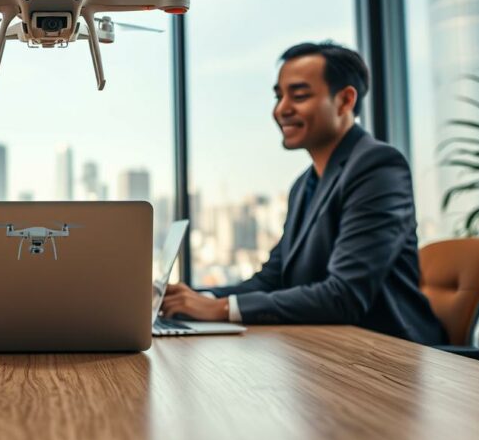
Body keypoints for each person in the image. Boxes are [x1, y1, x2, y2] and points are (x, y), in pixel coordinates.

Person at [161, 42, 446, 344]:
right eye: (279, 96)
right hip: (325, 348)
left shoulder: (378, 166)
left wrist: (220, 309)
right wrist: (193, 299)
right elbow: (272, 279)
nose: (281, 109)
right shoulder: (304, 184)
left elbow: (345, 295)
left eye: (299, 96)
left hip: (389, 352)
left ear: (345, 100)